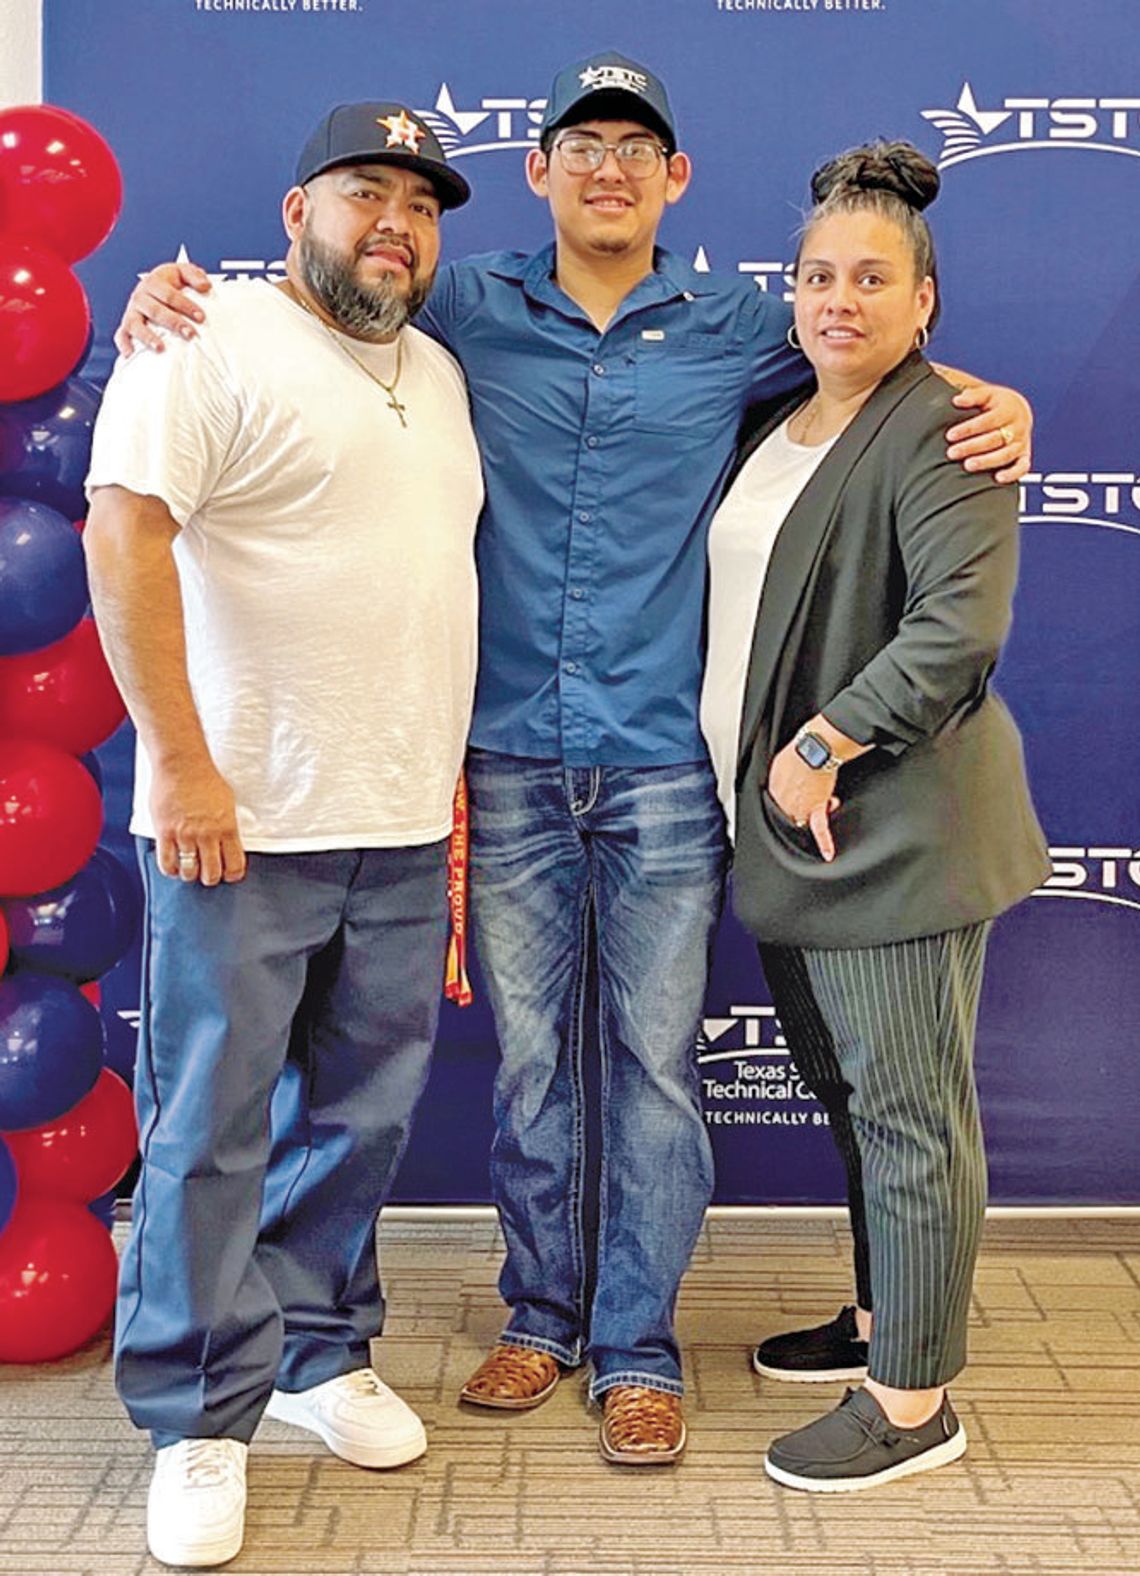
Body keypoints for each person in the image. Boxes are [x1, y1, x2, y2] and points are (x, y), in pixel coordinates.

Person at [115, 53, 1033, 1469]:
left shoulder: (744, 318)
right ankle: (539, 1319)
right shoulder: (455, 308)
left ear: (674, 180)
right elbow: (304, 304)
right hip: (500, 769)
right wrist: (167, 304)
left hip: (665, 768)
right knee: (534, 1069)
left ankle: (636, 1348)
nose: (607, 166)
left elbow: (875, 350)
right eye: (578, 143)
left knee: (656, 1071)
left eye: (637, 147)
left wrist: (993, 399)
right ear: (537, 174)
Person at [84, 103, 483, 1567]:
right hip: (234, 823)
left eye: (421, 205)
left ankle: (317, 1352)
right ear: (294, 206)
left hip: (395, 817)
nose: (394, 221)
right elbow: (121, 537)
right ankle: (195, 1417)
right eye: (364, 193)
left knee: (361, 1117)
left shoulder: (436, 369)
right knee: (206, 1130)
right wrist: (181, 768)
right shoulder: (203, 339)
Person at [701, 140, 1049, 1491]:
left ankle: (914, 1403)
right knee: (857, 1100)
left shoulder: (947, 425)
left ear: (925, 302)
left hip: (889, 829)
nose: (838, 298)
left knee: (911, 1116)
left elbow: (960, 631)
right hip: (793, 835)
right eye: (817, 274)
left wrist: (823, 740)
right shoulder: (778, 415)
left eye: (871, 278)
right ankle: (876, 1319)